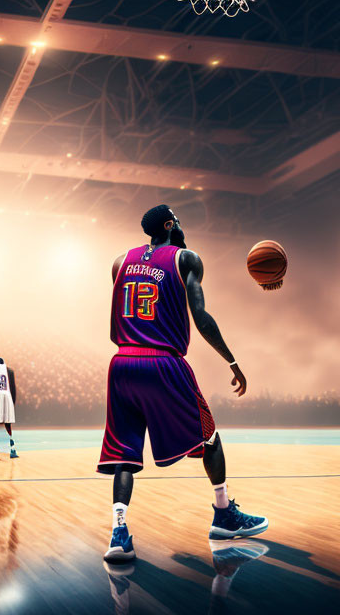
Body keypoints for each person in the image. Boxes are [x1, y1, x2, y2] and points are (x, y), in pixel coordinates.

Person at [98, 204, 267, 562]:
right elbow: (201, 317)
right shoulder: (186, 259)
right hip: (163, 362)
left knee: (124, 456)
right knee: (210, 436)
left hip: (123, 364)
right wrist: (232, 360)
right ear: (171, 224)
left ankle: (118, 533)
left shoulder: (119, 261)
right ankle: (224, 515)